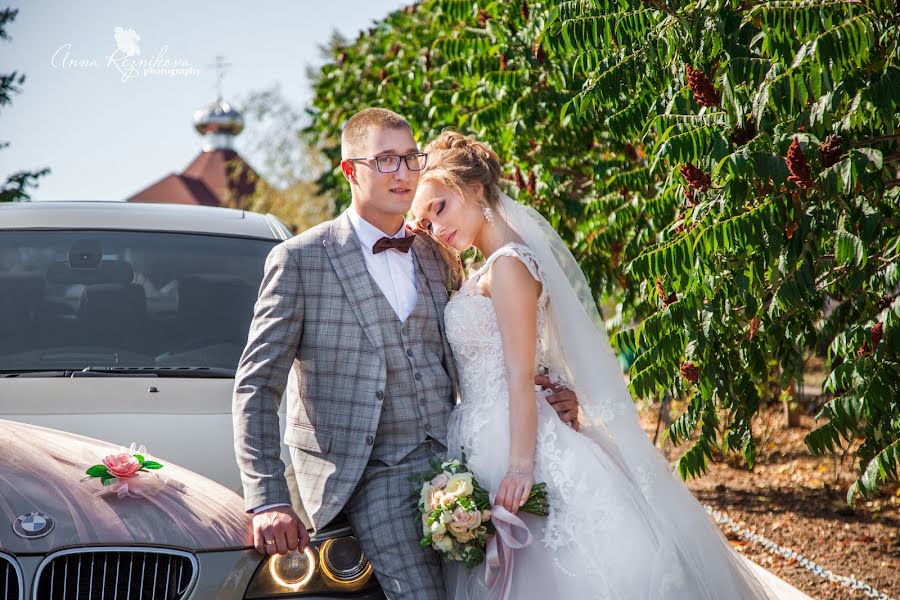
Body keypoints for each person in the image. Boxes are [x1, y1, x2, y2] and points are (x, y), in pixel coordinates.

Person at [410, 130, 813, 599]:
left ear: (475, 189)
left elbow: (520, 377)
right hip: (486, 432)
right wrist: (557, 386)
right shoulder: (486, 266)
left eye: (439, 207)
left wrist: (520, 469)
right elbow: (529, 359)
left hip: (517, 443)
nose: (435, 228)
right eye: (424, 221)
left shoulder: (508, 266)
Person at [231, 108, 579, 600]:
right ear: (351, 170)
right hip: (366, 472)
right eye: (385, 160)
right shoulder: (300, 260)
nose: (403, 173)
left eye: (410, 158)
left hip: (457, 458)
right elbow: (256, 384)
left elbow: (488, 349)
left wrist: (554, 392)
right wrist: (266, 498)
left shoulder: (437, 254)